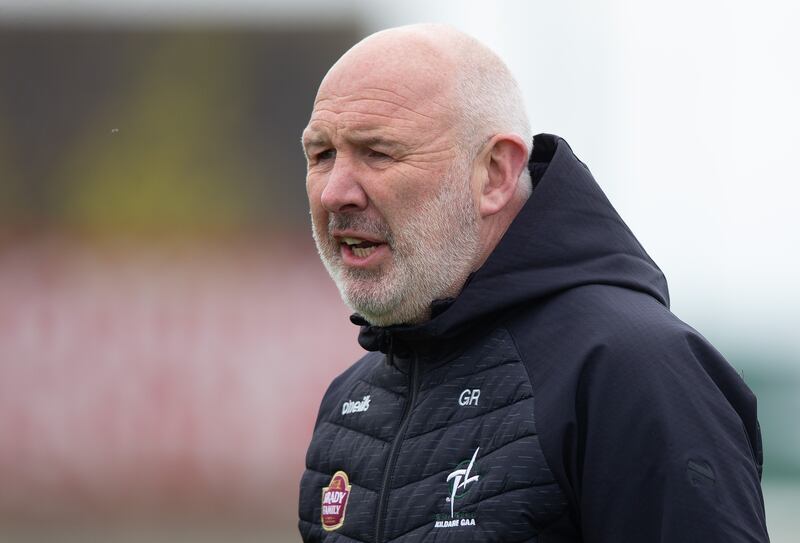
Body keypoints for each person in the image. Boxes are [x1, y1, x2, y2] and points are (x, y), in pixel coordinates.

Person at [298, 23, 769, 543]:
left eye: (378, 153)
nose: (334, 192)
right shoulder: (351, 401)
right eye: (321, 155)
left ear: (496, 173)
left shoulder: (631, 370)